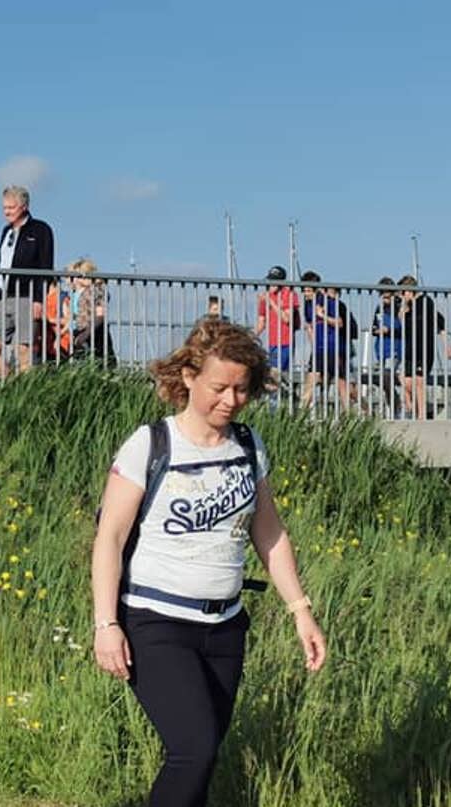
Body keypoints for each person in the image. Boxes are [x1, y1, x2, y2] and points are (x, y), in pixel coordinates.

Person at [90, 317, 327, 807]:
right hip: (155, 622)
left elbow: (270, 532)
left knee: (205, 755)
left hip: (225, 626)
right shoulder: (151, 444)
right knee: (192, 751)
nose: (231, 399)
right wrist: (105, 623)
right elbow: (109, 537)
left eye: (242, 389)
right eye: (219, 386)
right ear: (190, 376)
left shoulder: (247, 446)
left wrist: (300, 610)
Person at [0, 185, 54, 378]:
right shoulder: (6, 231)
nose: (6, 212)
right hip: (4, 298)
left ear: (23, 206)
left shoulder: (41, 230)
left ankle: (28, 395)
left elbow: (46, 266)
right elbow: (2, 265)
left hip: (27, 297)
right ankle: (14, 385)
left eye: (11, 207)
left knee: (24, 351)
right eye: (4, 207)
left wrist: (39, 299)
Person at [298, 272, 352, 411]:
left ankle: (350, 413)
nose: (306, 294)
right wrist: (313, 343)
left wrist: (322, 315)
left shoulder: (329, 302)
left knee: (340, 382)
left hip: (334, 347)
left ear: (317, 289)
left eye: (308, 290)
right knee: (311, 379)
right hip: (319, 348)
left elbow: (340, 323)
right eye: (304, 290)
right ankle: (299, 414)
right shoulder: (307, 304)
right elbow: (310, 325)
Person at [399, 275, 444, 420]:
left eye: (403, 292)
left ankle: (422, 414)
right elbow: (401, 320)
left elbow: (439, 321)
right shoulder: (407, 307)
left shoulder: (426, 302)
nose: (401, 296)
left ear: (409, 291)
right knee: (404, 380)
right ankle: (413, 407)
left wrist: (446, 344)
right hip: (409, 349)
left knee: (419, 380)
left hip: (424, 348)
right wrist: (404, 306)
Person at [255, 266, 299, 396]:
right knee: (273, 377)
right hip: (272, 342)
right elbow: (261, 322)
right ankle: (285, 399)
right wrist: (250, 336)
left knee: (274, 376)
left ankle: (275, 408)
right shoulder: (266, 295)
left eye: (274, 281)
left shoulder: (289, 294)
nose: (270, 284)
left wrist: (271, 303)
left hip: (285, 341)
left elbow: (287, 318)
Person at [65, 257, 114, 364]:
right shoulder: (76, 294)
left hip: (93, 333)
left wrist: (85, 335)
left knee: (99, 361)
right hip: (81, 331)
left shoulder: (97, 290)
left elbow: (100, 315)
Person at [371, 277, 403, 416]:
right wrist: (377, 330)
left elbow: (404, 329)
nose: (385, 298)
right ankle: (394, 402)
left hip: (395, 348)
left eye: (387, 295)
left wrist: (388, 330)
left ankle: (398, 406)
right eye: (382, 295)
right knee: (384, 380)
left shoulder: (399, 307)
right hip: (381, 349)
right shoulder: (379, 308)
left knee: (388, 376)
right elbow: (373, 328)